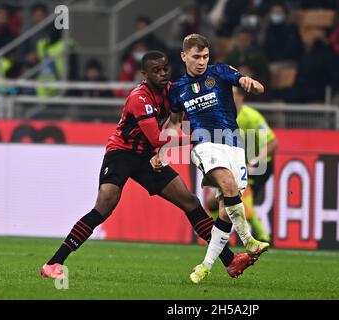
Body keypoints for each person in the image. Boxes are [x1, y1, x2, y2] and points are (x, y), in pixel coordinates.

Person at [40, 51, 256, 280]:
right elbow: (157, 138)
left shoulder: (172, 90)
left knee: (190, 202)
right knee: (103, 208)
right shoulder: (139, 98)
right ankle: (54, 263)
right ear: (145, 74)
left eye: (165, 68)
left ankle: (230, 261)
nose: (163, 74)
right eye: (156, 70)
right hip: (121, 154)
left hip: (147, 158)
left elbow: (176, 123)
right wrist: (198, 137)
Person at [157, 34, 269, 284]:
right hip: (205, 145)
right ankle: (249, 241)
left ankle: (205, 266)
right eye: (196, 57)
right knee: (228, 185)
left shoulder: (221, 72)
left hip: (234, 146)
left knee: (225, 211)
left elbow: (259, 88)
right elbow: (175, 123)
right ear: (184, 56)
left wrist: (251, 83)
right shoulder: (177, 89)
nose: (201, 62)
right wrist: (166, 144)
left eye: (205, 56)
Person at [206, 87, 277, 242]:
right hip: (237, 166)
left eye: (232, 95)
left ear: (241, 98)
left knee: (240, 199)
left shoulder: (252, 117)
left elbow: (272, 143)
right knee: (211, 202)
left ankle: (264, 236)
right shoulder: (220, 118)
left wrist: (255, 161)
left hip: (258, 166)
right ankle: (214, 235)